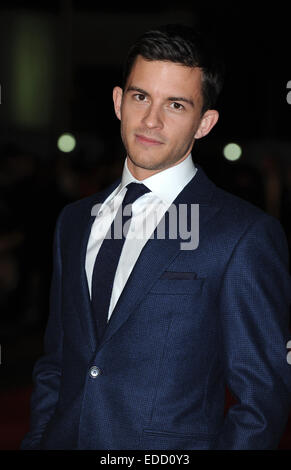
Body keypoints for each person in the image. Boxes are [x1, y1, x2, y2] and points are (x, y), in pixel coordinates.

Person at [21, 24, 291, 450]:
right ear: (118, 101)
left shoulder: (243, 235)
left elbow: (262, 398)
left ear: (205, 123)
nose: (151, 120)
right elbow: (56, 363)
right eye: (140, 96)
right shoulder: (73, 222)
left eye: (176, 105)